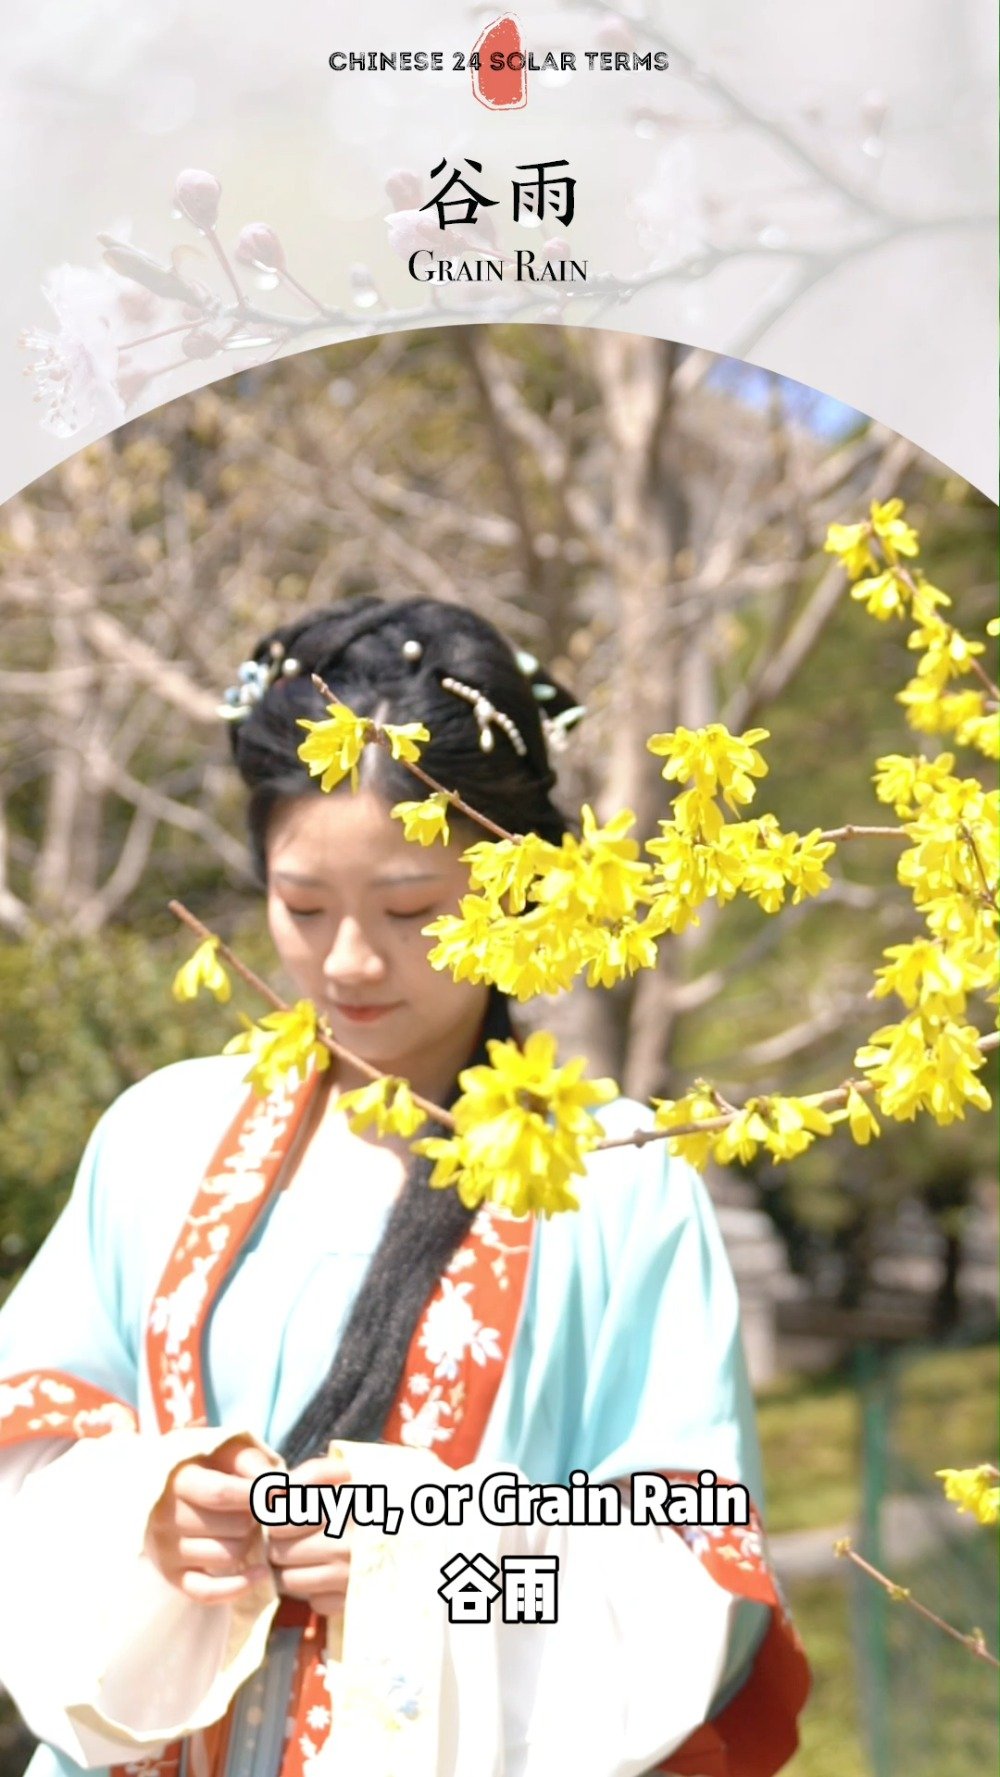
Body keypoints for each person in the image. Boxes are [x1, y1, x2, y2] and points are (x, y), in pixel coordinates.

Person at [0, 596, 809, 1777]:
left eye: (411, 910)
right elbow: (27, 1451)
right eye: (302, 906)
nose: (348, 963)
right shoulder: (160, 1136)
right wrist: (153, 1512)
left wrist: (427, 1552)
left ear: (517, 886)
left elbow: (692, 1562)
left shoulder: (617, 1183)